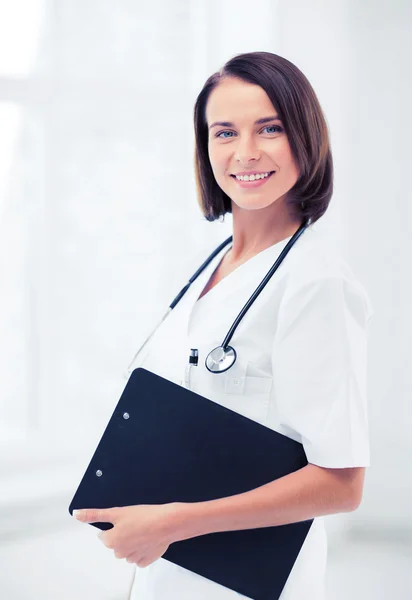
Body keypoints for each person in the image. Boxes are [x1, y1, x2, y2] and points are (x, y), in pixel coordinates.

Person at [74, 51, 374, 599]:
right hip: (164, 570)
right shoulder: (208, 268)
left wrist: (173, 523)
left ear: (305, 137)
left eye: (270, 128)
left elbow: (341, 484)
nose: (246, 153)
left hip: (246, 580)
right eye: (225, 132)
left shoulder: (316, 283)